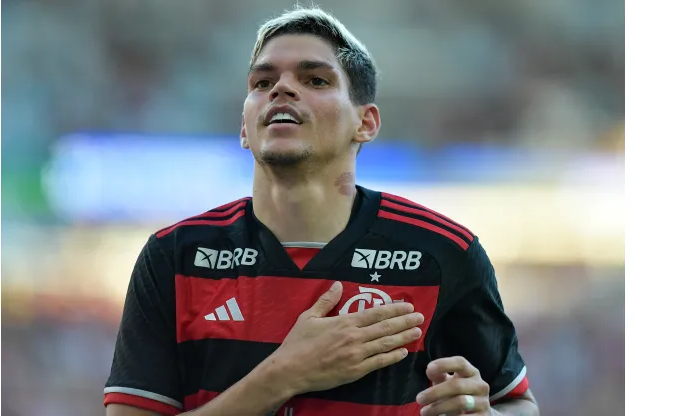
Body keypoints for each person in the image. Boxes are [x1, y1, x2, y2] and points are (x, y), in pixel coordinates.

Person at [104, 6, 539, 416]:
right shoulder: (174, 256)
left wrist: (481, 411)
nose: (281, 88)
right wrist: (285, 374)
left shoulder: (444, 251)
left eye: (315, 80)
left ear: (364, 123)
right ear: (244, 126)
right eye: (262, 83)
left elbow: (518, 403)